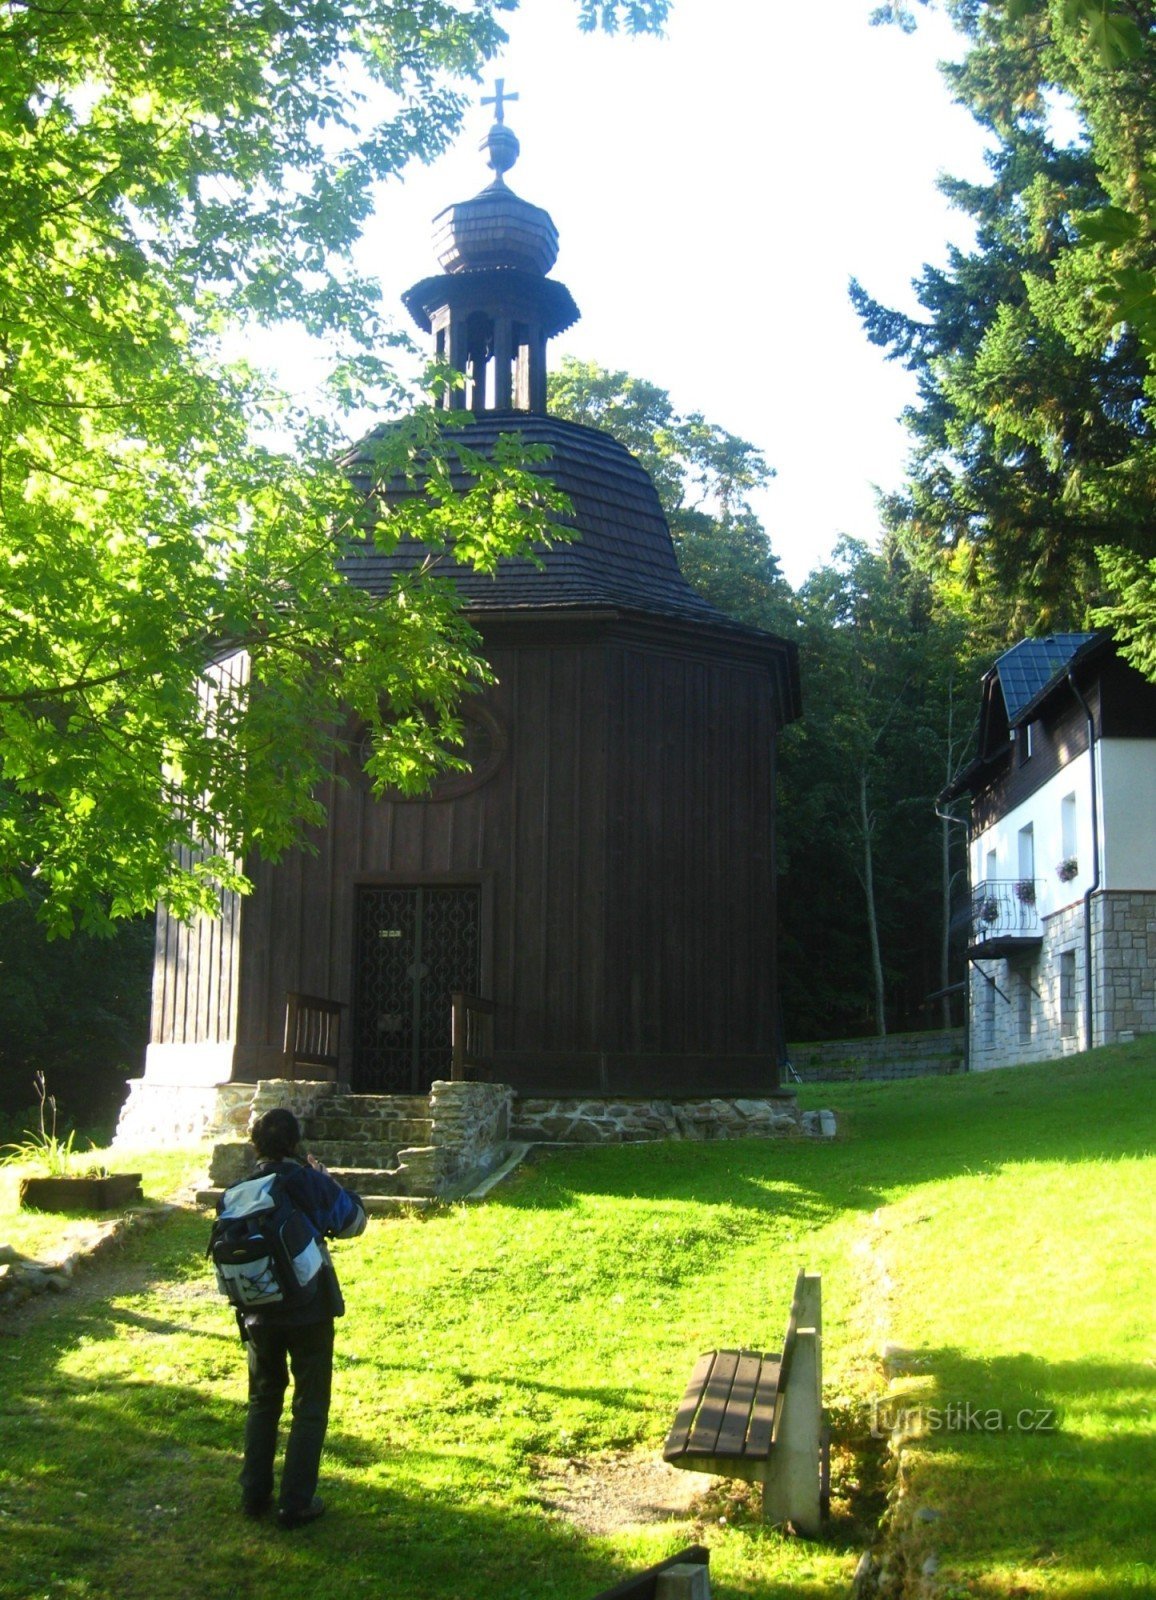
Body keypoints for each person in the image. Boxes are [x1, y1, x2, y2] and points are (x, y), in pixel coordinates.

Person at [235, 1106, 366, 1530]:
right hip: (308, 1306)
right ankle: (296, 1501)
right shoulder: (307, 1181)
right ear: (294, 1143)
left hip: (258, 1309)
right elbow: (353, 1222)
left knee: (263, 1398)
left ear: (256, 1144)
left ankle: (254, 1494)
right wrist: (328, 1180)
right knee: (310, 1402)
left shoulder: (239, 1190)